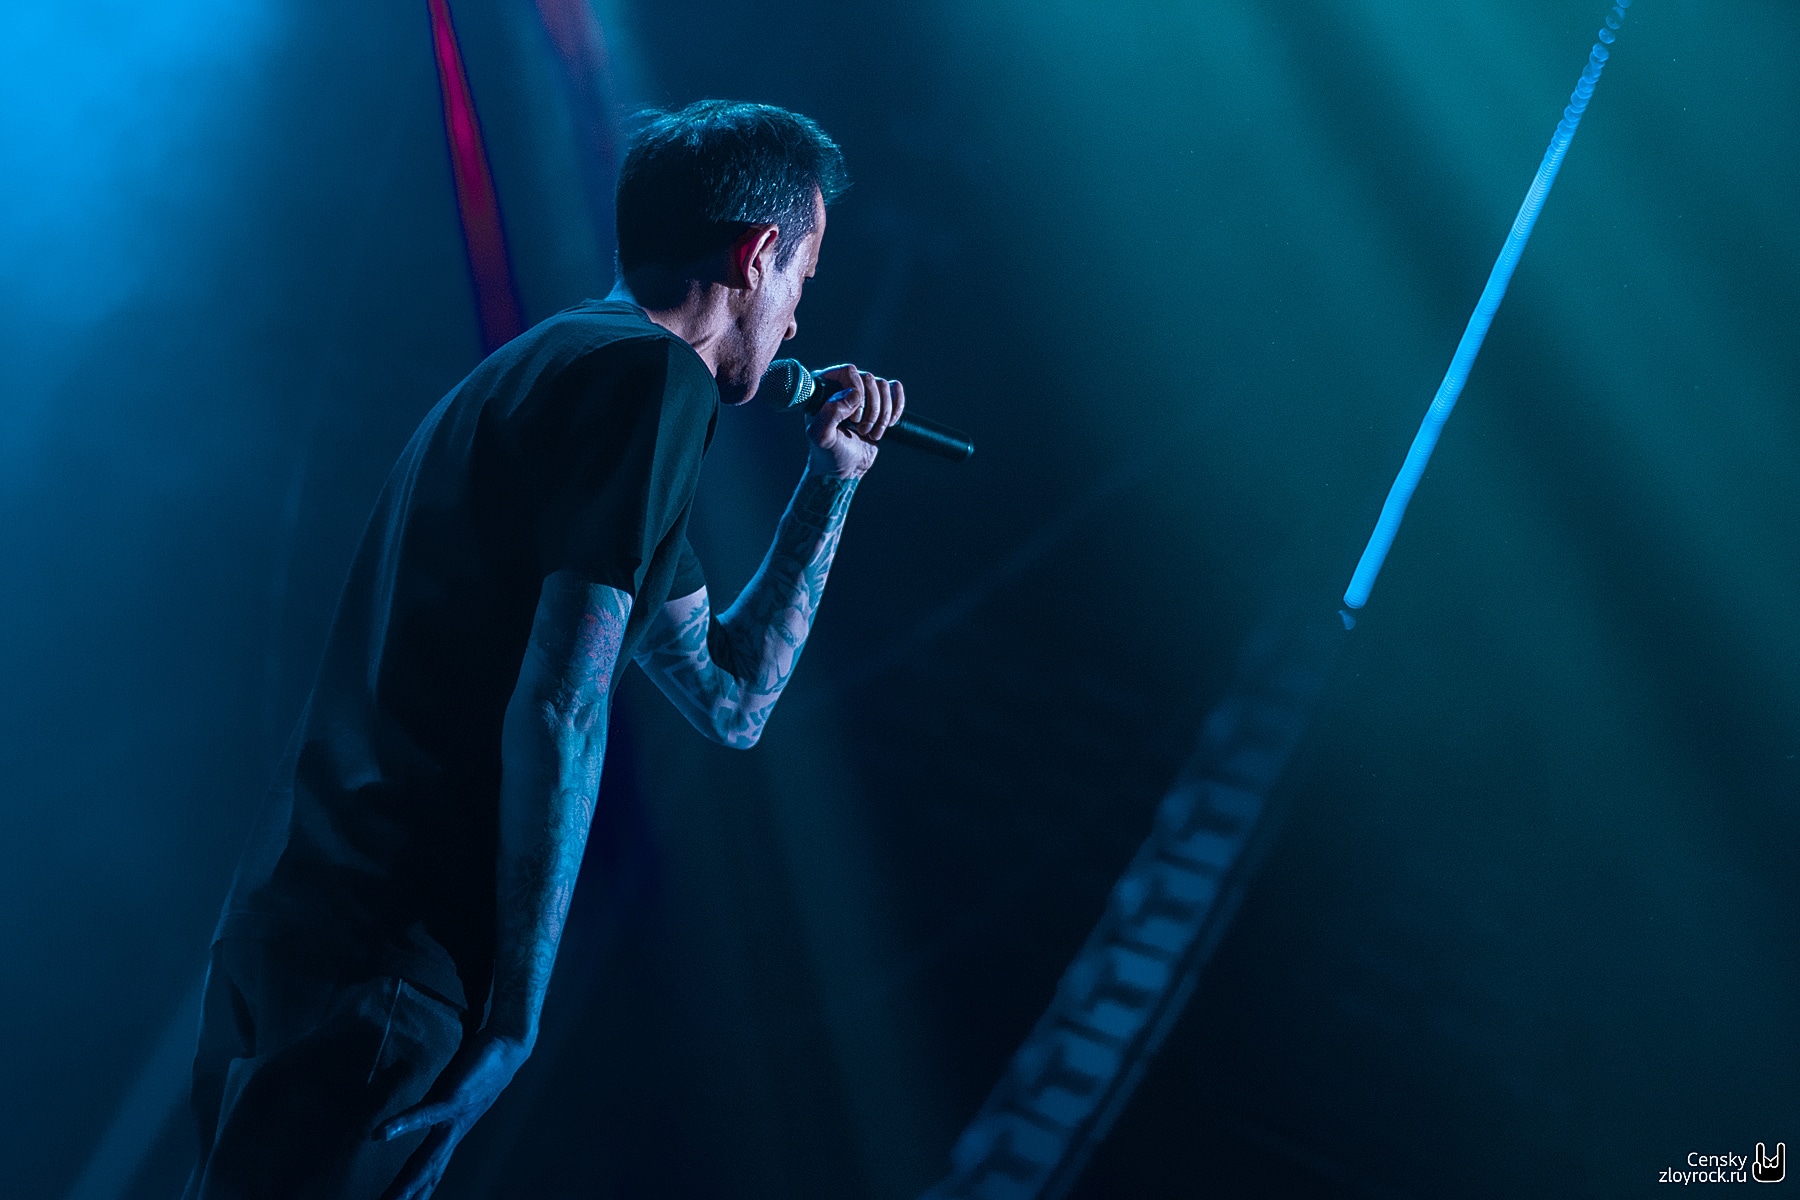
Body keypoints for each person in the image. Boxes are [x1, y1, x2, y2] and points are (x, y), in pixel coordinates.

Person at [185, 100, 903, 1200]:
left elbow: (732, 699)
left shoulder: (546, 368)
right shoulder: (651, 384)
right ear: (758, 254)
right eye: (804, 277)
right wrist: (517, 1016)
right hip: (393, 955)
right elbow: (565, 701)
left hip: (294, 928)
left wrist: (831, 484)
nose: (800, 320)